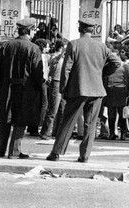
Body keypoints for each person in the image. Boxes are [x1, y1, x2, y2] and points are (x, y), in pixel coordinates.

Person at [47, 20, 120, 162]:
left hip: (78, 89)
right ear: (92, 30)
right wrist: (101, 73)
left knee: (68, 122)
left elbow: (66, 69)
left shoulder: (74, 44)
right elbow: (116, 62)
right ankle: (85, 155)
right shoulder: (102, 46)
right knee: (90, 125)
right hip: (97, 90)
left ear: (80, 28)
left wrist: (64, 88)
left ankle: (56, 152)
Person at [0, 18, 43, 159]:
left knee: (5, 118)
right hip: (24, 88)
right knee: (20, 119)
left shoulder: (6, 46)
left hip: (7, 87)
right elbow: (37, 72)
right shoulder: (33, 48)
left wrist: (0, 88)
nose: (34, 33)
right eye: (33, 30)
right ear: (29, 31)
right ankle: (14, 151)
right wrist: (38, 88)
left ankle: (1, 149)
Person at [41, 39, 68, 140]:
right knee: (53, 108)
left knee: (62, 108)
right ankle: (45, 132)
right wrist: (61, 54)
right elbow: (52, 62)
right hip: (56, 82)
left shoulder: (66, 57)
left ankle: (57, 132)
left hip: (63, 82)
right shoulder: (54, 56)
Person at [104, 50, 129, 141]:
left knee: (121, 114)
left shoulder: (125, 66)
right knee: (111, 114)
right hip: (111, 91)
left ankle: (122, 133)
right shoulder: (108, 67)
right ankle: (112, 133)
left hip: (120, 91)